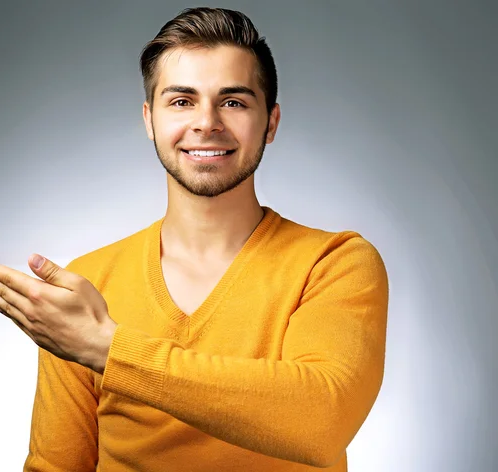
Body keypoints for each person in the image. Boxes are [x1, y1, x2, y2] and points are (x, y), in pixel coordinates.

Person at [22, 7, 389, 472]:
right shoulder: (88, 283)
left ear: (270, 122)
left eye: (233, 102)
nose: (207, 122)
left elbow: (322, 420)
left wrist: (109, 351)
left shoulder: (335, 263)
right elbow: (56, 466)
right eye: (181, 101)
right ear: (149, 119)